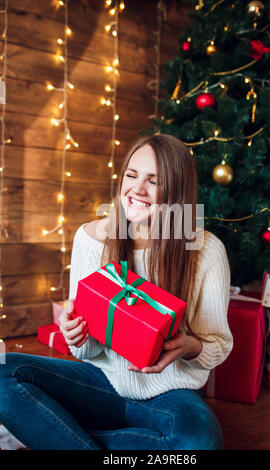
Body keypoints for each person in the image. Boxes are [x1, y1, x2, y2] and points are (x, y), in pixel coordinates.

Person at [0, 134, 233, 450]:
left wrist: (189, 346)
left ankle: (54, 434)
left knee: (199, 442)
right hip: (102, 384)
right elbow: (87, 352)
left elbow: (218, 344)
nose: (137, 189)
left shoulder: (206, 251)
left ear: (177, 190)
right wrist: (76, 336)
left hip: (170, 396)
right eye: (131, 175)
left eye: (155, 181)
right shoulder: (91, 239)